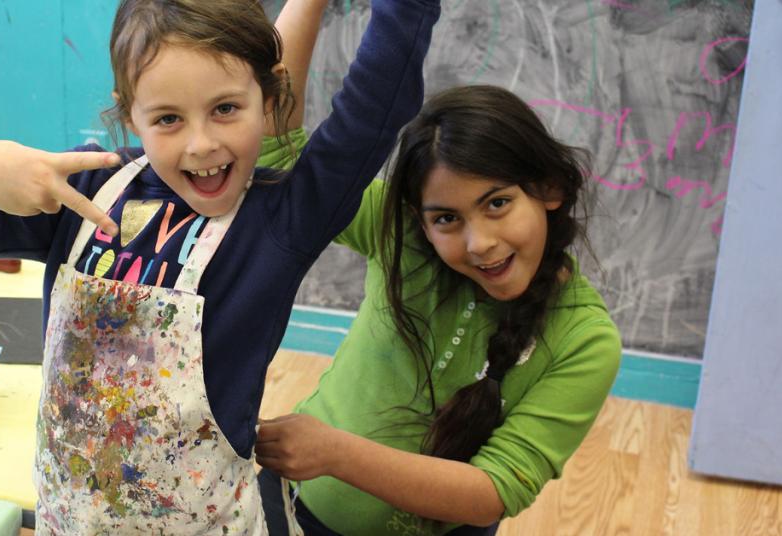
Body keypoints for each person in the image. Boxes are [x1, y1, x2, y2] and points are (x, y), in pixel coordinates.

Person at [0, 0, 440, 533]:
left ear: (269, 97)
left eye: (225, 108)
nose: (201, 144)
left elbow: (376, 105)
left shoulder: (280, 221)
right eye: (168, 118)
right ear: (129, 110)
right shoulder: (85, 191)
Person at [254, 68, 622, 536]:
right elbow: (280, 154)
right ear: (418, 221)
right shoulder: (401, 237)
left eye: (497, 204)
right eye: (447, 218)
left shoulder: (586, 341)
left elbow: (493, 491)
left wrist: (335, 453)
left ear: (549, 188)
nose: (480, 243)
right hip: (288, 509)